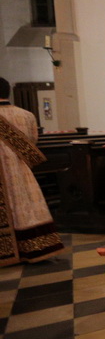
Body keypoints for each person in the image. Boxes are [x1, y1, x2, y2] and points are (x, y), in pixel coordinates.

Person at [0, 77, 64, 265]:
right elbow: (33, 142)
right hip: (21, 171)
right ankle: (34, 248)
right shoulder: (26, 115)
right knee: (26, 208)